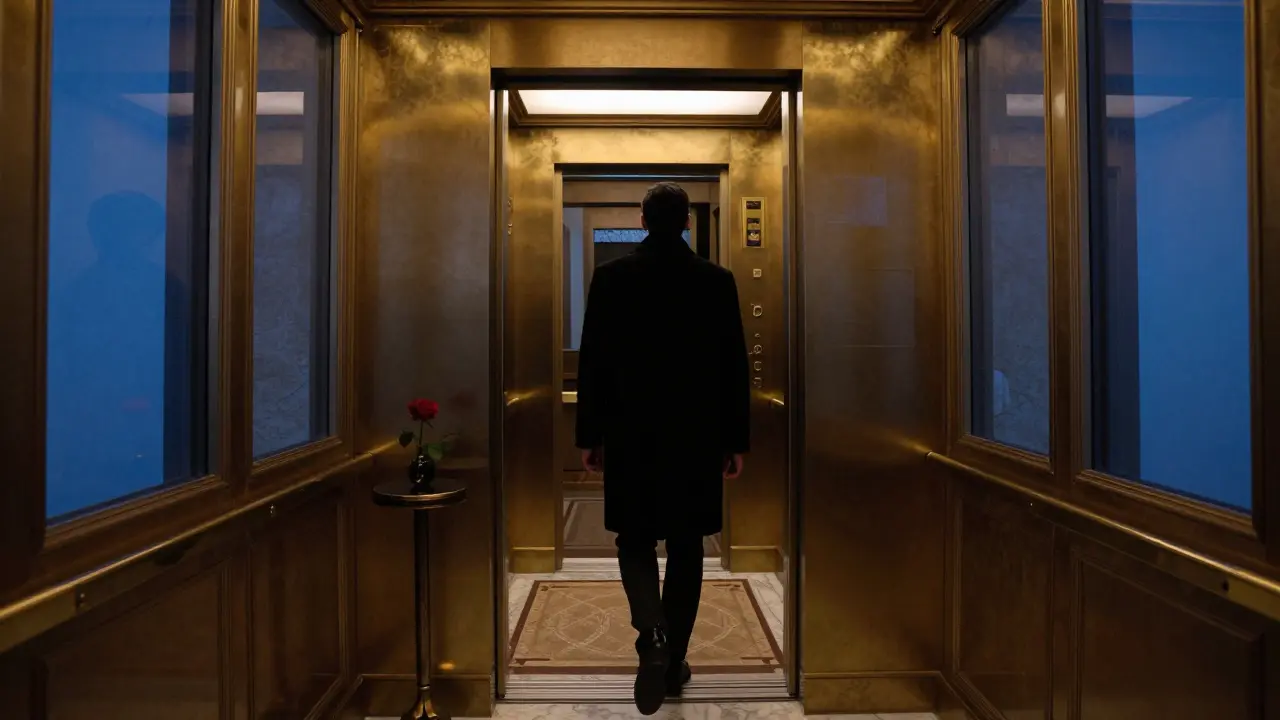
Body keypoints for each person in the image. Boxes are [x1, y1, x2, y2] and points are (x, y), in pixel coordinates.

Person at [575, 181, 750, 715]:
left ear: (644, 221)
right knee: (688, 545)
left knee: (634, 539)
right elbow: (732, 367)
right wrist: (734, 441)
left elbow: (594, 363)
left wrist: (590, 436)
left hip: (631, 435)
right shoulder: (716, 281)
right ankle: (672, 664)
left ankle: (651, 633)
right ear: (688, 225)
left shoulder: (611, 278)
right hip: (695, 438)